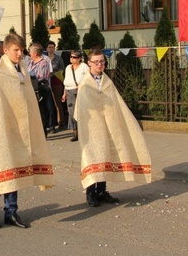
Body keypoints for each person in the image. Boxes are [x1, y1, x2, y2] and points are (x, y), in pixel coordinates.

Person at [0, 33, 54, 229]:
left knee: (17, 170)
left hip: (21, 130)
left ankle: (11, 212)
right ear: (5, 50)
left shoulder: (23, 70)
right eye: (16, 50)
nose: (20, 53)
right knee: (3, 169)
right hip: (4, 129)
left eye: (22, 50)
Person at [75, 49, 152, 207]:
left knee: (106, 156)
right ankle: (91, 193)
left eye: (102, 61)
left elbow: (116, 104)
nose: (100, 64)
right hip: (91, 129)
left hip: (108, 126)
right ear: (89, 63)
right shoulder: (85, 85)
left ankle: (102, 191)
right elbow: (81, 110)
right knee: (92, 157)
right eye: (96, 62)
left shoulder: (107, 82)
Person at [26, 43, 55, 134]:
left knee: (42, 111)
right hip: (31, 89)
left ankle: (43, 131)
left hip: (41, 89)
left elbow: (42, 76)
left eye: (30, 51)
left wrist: (31, 76)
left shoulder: (43, 62)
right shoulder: (30, 62)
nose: (29, 53)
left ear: (35, 53)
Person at [61, 51, 89, 142]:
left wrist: (82, 86)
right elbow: (66, 81)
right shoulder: (68, 67)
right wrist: (64, 93)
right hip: (69, 91)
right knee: (71, 113)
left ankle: (83, 132)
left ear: (79, 58)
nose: (72, 59)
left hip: (80, 91)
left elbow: (89, 78)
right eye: (71, 57)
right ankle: (75, 133)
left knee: (81, 112)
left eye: (74, 57)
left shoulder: (84, 66)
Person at [47, 41, 65, 131]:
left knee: (58, 102)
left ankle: (61, 121)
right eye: (49, 47)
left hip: (57, 81)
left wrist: (53, 73)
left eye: (52, 47)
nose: (51, 49)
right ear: (46, 49)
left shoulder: (58, 58)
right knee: (50, 103)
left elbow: (62, 69)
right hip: (47, 82)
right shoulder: (44, 59)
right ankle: (51, 122)